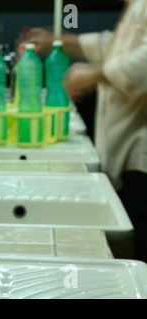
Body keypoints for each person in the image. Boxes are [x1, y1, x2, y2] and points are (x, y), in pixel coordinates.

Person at [20, 0, 147, 262]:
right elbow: (116, 45)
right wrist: (59, 40)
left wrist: (93, 73)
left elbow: (142, 61)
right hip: (128, 152)